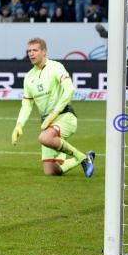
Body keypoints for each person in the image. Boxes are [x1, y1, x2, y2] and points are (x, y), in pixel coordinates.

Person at [11, 38, 95, 177]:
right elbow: (26, 105)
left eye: (35, 50)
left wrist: (54, 113)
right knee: (51, 171)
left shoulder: (56, 67)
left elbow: (69, 89)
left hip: (64, 116)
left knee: (44, 138)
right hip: (48, 124)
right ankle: (86, 157)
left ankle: (83, 159)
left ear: (44, 51)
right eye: (29, 51)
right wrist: (19, 125)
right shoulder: (29, 77)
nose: (31, 54)